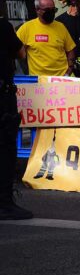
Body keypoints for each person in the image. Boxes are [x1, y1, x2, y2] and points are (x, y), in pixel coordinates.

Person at [0, 18, 33, 219]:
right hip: (2, 97)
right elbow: (21, 52)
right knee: (5, 150)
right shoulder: (3, 26)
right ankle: (4, 203)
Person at [17, 0, 76, 76]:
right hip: (39, 82)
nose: (51, 13)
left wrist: (68, 71)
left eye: (53, 10)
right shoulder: (26, 28)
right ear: (37, 10)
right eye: (47, 10)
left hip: (61, 79)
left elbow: (70, 50)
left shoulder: (61, 27)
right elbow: (17, 51)